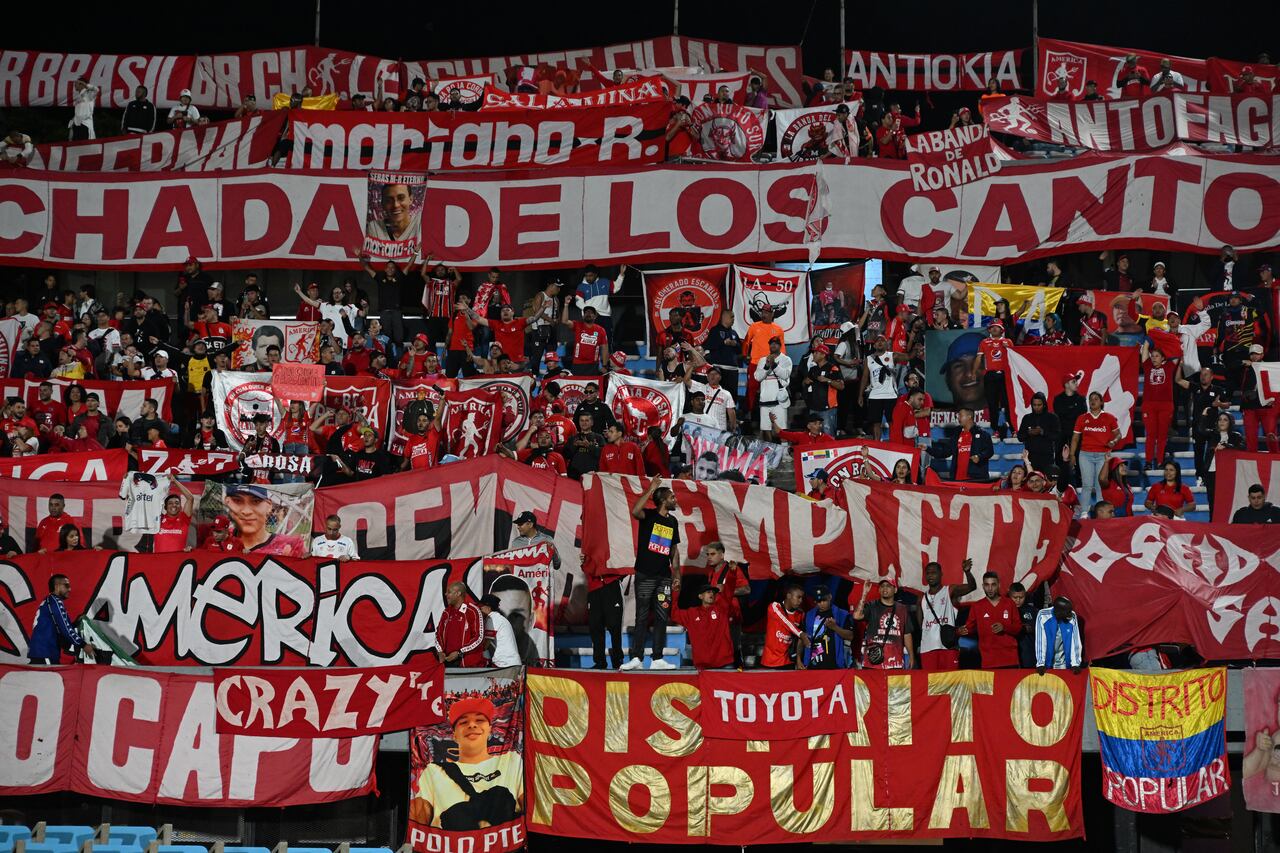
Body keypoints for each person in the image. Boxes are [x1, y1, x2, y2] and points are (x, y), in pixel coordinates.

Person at [408, 696, 523, 829]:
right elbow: (418, 816)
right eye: (463, 722)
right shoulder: (434, 771)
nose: (472, 725)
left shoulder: (511, 760)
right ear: (454, 735)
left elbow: (531, 808)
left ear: (490, 729)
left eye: (479, 720)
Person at [621, 476, 681, 671]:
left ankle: (657, 658)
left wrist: (677, 574)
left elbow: (673, 550)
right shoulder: (648, 516)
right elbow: (635, 510)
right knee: (642, 616)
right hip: (645, 575)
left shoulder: (673, 521)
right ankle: (637, 658)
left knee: (662, 615)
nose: (675, 500)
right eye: (672, 497)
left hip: (664, 576)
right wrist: (650, 489)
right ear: (663, 500)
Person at [916, 558, 977, 671]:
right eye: (928, 573)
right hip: (928, 649)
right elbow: (920, 625)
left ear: (941, 574)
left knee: (950, 683)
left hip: (948, 647)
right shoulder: (921, 599)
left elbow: (971, 587)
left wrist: (967, 572)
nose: (930, 576)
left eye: (934, 573)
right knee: (932, 685)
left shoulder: (950, 590)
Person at [1070, 392, 1120, 516]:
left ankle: (1101, 513)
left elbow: (1119, 434)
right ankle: (1084, 513)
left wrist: (1114, 441)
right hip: (1085, 454)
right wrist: (1072, 455)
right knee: (1087, 484)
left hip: (1103, 455)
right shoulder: (1082, 418)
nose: (1093, 401)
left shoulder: (1109, 417)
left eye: (1096, 399)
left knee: (1100, 485)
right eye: (1091, 399)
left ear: (1102, 402)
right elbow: (1075, 438)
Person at [958, 571, 1021, 668]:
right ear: (983, 586)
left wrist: (1004, 627)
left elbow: (1018, 628)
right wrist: (960, 631)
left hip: (1010, 659)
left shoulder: (1009, 603)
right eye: (987, 585)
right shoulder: (977, 606)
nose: (990, 588)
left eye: (993, 585)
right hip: (988, 660)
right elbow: (969, 628)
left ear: (999, 585)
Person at [222, 484, 306, 556]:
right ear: (227, 503)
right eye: (237, 501)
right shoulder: (218, 537)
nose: (246, 511)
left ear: (269, 505)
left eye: (255, 501)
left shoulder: (290, 545)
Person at [671, 579, 734, 669]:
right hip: (703, 665)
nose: (712, 594)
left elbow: (729, 591)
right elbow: (674, 614)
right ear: (700, 596)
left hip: (724, 663)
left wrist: (732, 572)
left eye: (713, 592)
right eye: (708, 592)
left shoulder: (721, 609)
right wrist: (675, 593)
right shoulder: (691, 613)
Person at [853, 579, 915, 670]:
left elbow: (907, 634)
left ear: (895, 590)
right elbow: (857, 616)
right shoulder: (871, 606)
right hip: (873, 662)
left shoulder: (902, 609)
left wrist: (911, 656)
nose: (884, 588)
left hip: (895, 662)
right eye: (882, 586)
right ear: (879, 590)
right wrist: (864, 594)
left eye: (888, 586)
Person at [29, 574, 85, 664]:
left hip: (43, 651)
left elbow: (61, 625)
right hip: (45, 652)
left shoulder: (49, 601)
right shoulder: (55, 601)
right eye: (66, 585)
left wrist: (77, 623)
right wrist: (83, 645)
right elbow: (65, 628)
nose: (69, 589)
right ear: (57, 587)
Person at [929, 408, 994, 481]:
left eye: (960, 415)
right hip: (957, 479)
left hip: (975, 479)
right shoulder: (956, 434)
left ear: (969, 416)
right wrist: (928, 449)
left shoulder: (983, 434)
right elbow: (946, 451)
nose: (958, 417)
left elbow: (989, 451)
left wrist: (979, 457)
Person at [1140, 341, 1177, 467]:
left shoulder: (1169, 366)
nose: (1153, 358)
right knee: (1150, 434)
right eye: (1153, 355)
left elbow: (1177, 352)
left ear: (1163, 358)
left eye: (1157, 356)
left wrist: (1169, 339)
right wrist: (1147, 341)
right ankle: (1149, 461)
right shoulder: (1147, 366)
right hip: (1149, 405)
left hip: (1166, 405)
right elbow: (1145, 350)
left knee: (1162, 435)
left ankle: (1160, 461)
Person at [434, 581, 486, 667]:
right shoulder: (446, 612)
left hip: (467, 663)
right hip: (448, 661)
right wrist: (440, 651)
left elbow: (479, 637)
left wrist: (460, 652)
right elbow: (438, 633)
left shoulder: (472, 611)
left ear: (458, 593)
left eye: (449, 592)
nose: (446, 594)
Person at [1201, 411, 1245, 509]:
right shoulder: (1213, 434)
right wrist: (1204, 416)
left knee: (1226, 501)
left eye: (1225, 420)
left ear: (1230, 422)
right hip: (1211, 472)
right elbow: (1201, 430)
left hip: (1228, 473)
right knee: (1212, 501)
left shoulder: (1236, 435)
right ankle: (1212, 522)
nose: (1222, 422)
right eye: (1220, 419)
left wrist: (1226, 445)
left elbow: (1242, 447)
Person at [802, 587, 854, 669]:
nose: (821, 603)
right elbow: (802, 637)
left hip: (834, 665)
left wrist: (835, 627)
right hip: (812, 666)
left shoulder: (841, 614)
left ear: (830, 597)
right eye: (818, 601)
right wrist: (799, 659)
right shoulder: (809, 615)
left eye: (824, 600)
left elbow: (850, 636)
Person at [1240, 344, 1279, 453]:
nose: (1254, 356)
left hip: (1266, 406)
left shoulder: (1270, 368)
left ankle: (1276, 461)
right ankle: (1251, 464)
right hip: (1249, 407)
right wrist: (1243, 363)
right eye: (1252, 354)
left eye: (1256, 354)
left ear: (1262, 355)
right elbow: (1230, 368)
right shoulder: (1245, 368)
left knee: (1271, 436)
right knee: (1250, 437)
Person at [975, 322, 1012, 437]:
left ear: (1002, 330)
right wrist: (973, 372)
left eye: (997, 327)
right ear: (989, 330)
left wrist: (1009, 349)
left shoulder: (1008, 341)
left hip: (1005, 375)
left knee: (1008, 403)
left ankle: (1013, 428)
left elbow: (1016, 357)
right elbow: (978, 358)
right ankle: (995, 429)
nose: (994, 329)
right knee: (992, 404)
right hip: (990, 376)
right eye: (992, 327)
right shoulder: (984, 342)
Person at [759, 585, 808, 669]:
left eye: (802, 598)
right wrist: (801, 634)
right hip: (770, 662)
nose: (800, 601)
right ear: (788, 595)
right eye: (798, 597)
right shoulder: (774, 607)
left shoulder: (800, 614)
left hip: (788, 662)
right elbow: (786, 622)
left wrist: (798, 659)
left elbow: (799, 639)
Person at [754, 337, 792, 440]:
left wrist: (774, 364)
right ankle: (770, 450)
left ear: (780, 346)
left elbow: (785, 375)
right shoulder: (762, 360)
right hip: (765, 399)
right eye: (771, 343)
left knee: (782, 428)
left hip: (779, 399)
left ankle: (784, 450)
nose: (773, 345)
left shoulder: (786, 359)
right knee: (766, 428)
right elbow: (758, 377)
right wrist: (766, 366)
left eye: (776, 343)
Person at [1034, 597, 1083, 674]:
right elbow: (1040, 640)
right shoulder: (1043, 615)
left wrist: (1075, 664)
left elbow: (1075, 640)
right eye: (1067, 612)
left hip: (1063, 662)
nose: (1070, 614)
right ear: (1058, 612)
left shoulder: (1072, 616)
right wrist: (1040, 663)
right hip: (1047, 664)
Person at [1017, 393, 1061, 475]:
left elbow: (1057, 436)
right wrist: (1028, 433)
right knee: (1030, 481)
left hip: (1047, 457)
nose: (1036, 407)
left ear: (1044, 404)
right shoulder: (1027, 418)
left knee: (1047, 482)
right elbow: (1020, 437)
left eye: (1039, 405)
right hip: (1031, 457)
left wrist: (1042, 432)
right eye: (1034, 405)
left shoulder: (1052, 417)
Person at [152, 478, 195, 553]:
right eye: (170, 503)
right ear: (165, 507)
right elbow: (149, 499)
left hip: (178, 562)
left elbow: (190, 498)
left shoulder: (184, 519)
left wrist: (175, 481)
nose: (174, 505)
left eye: (177, 503)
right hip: (159, 562)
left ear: (180, 506)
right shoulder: (158, 519)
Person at [480, 594, 522, 668]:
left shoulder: (492, 618)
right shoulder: (498, 618)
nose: (480, 609)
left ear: (488, 608)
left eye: (481, 606)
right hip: (509, 663)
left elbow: (485, 645)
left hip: (506, 664)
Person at [1008, 582, 1038, 669]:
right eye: (1015, 597)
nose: (1018, 600)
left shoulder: (1032, 611)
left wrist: (1024, 628)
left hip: (1028, 652)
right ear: (1009, 595)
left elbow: (1038, 629)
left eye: (1021, 597)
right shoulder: (1004, 610)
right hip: (1010, 653)